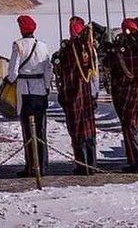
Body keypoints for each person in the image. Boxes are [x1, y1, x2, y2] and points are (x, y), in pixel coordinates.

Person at [6, 13, 52, 177]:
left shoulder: (18, 45)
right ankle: (43, 164)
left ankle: (31, 165)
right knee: (41, 129)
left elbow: (13, 71)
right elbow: (48, 68)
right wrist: (46, 86)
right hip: (40, 90)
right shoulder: (43, 46)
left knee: (28, 130)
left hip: (25, 91)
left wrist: (11, 79)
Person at [109, 18, 138, 173]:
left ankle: (137, 162)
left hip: (131, 92)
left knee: (130, 128)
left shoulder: (125, 47)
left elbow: (119, 70)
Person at [54, 16, 98, 175]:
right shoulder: (89, 48)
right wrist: (95, 93)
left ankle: (82, 165)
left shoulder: (67, 51)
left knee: (77, 131)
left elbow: (61, 73)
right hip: (87, 94)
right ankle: (92, 164)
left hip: (72, 95)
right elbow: (95, 74)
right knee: (89, 130)